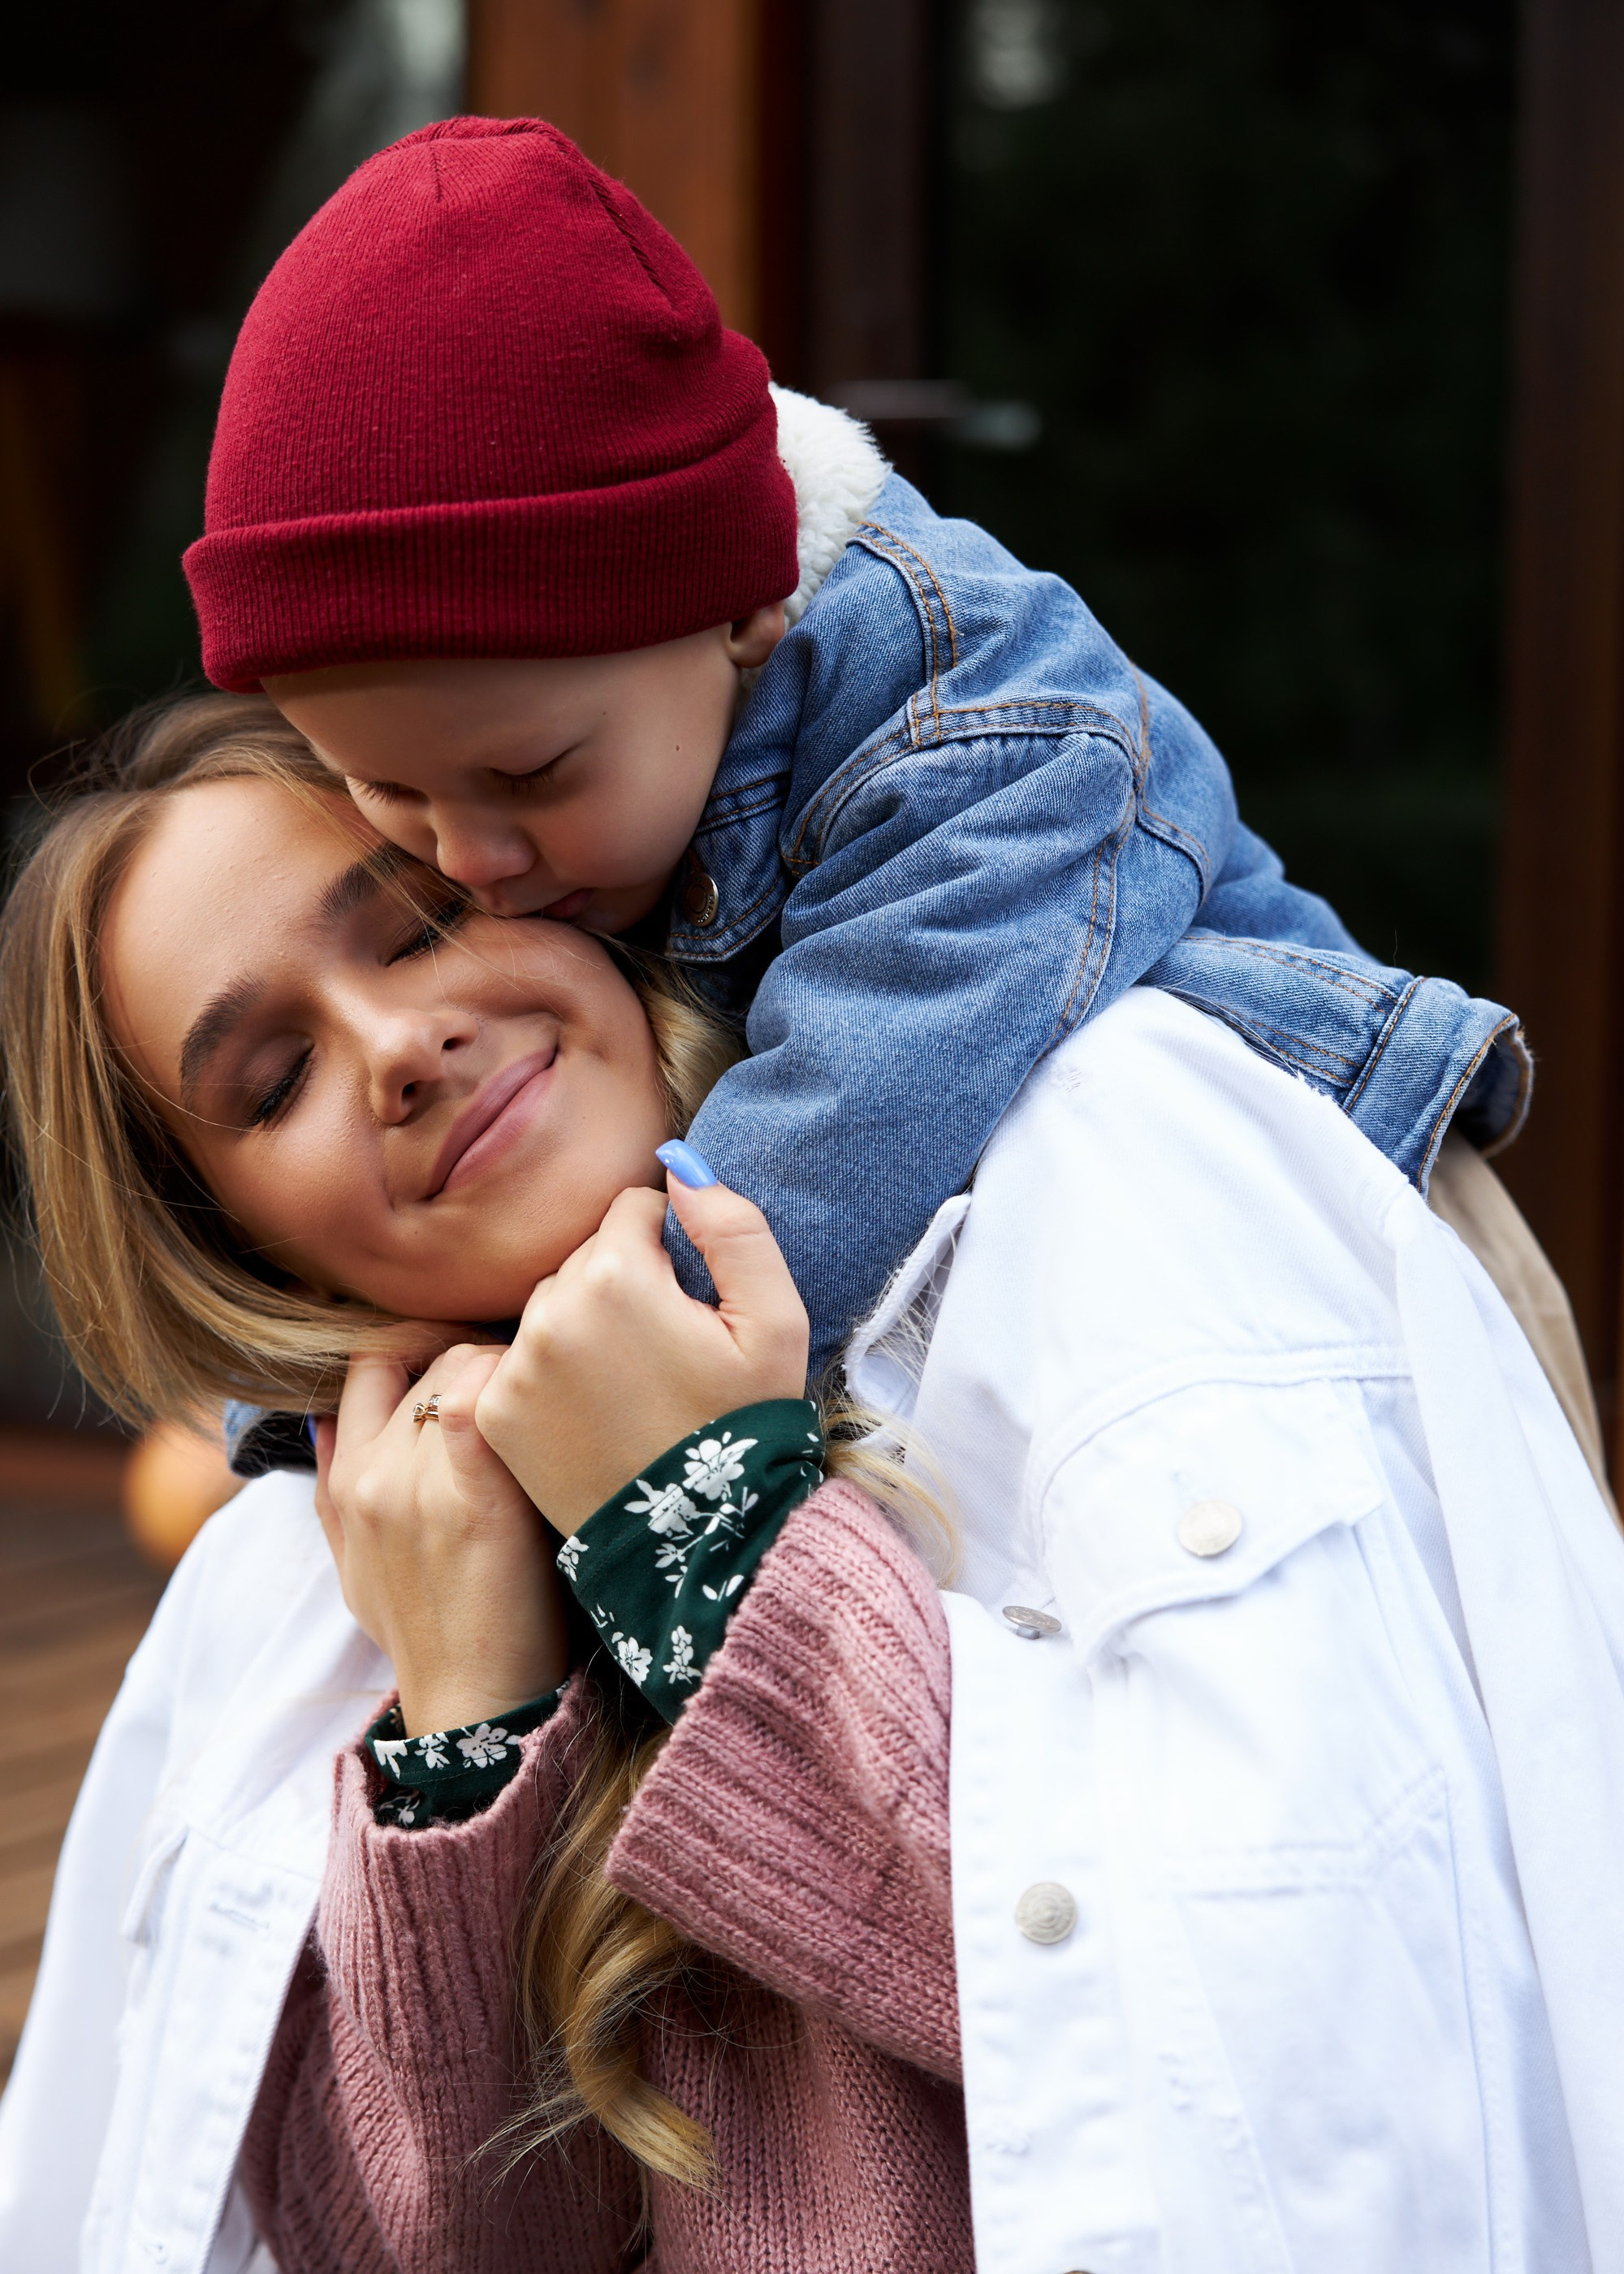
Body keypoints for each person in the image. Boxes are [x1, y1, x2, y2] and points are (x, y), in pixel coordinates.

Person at [2, 701, 1622, 2274]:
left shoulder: (1111, 1170)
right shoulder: (325, 1582)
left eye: (418, 922)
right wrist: (472, 1717)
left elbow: (1269, 2062)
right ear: (241, 1247)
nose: (397, 1043)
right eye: (274, 1083)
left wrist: (701, 1536)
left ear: (571, 880)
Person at [180, 115, 1527, 1421]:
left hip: (1367, 1290)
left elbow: (851, 1125)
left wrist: (573, 1395)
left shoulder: (976, 723)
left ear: (743, 608)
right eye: (389, 792)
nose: (470, 862)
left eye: (530, 775)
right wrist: (326, 1397)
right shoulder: (633, 754)